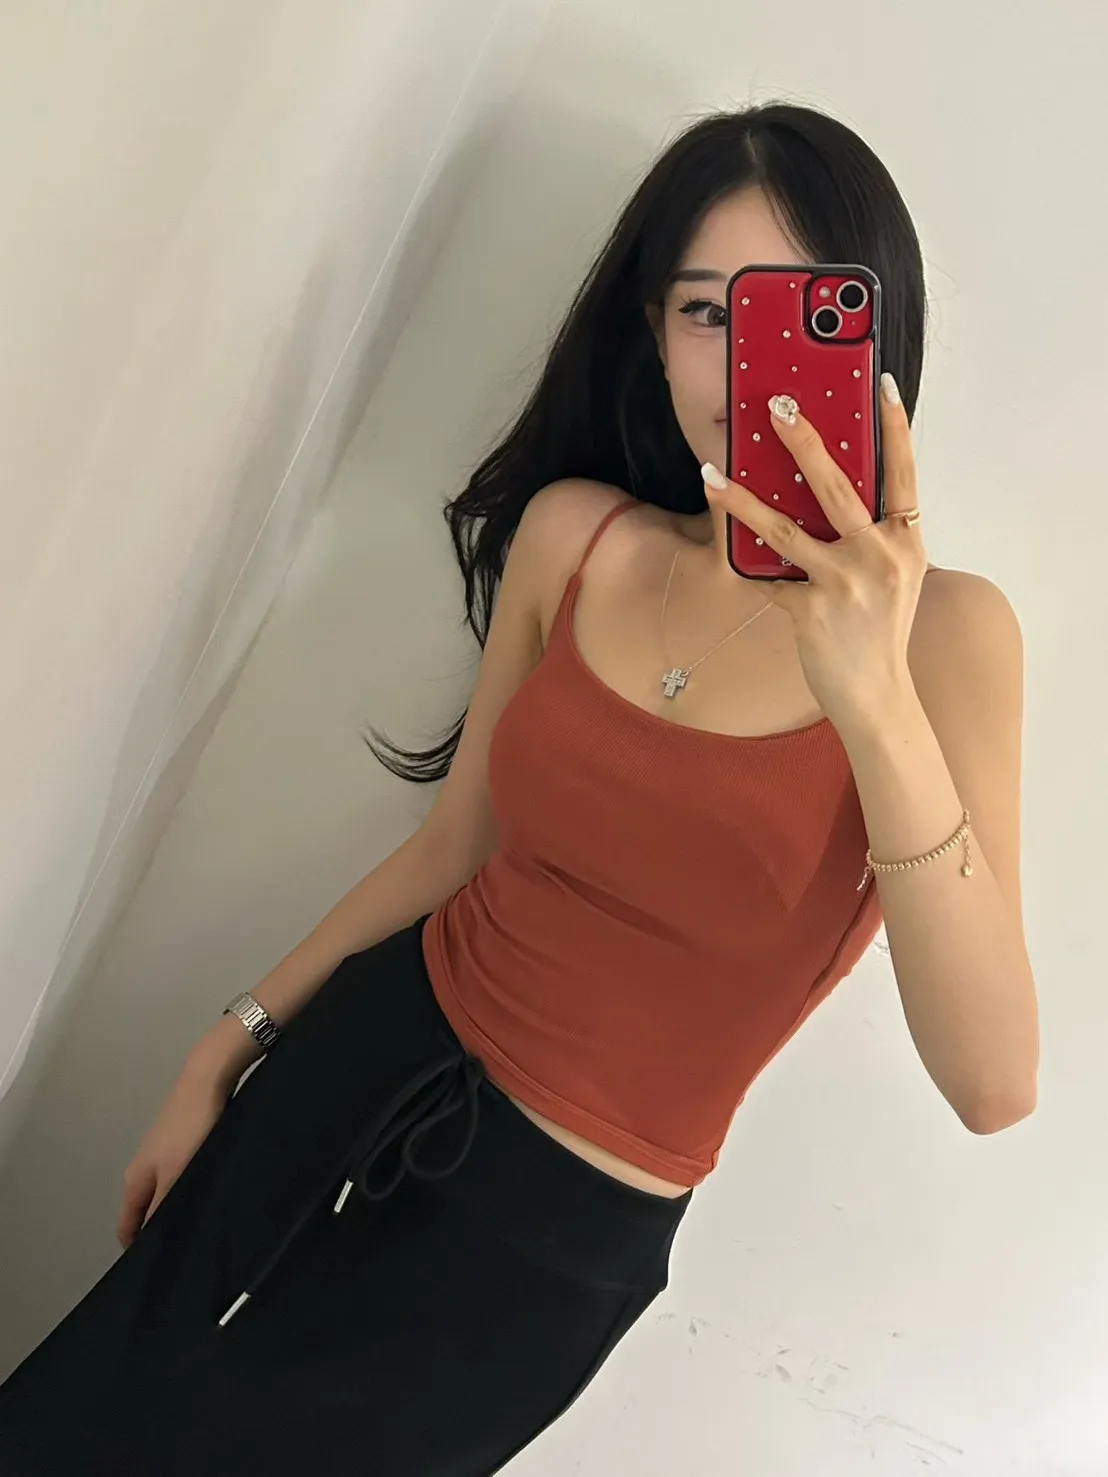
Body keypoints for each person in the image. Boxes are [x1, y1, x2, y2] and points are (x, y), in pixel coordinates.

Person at [0, 101, 1039, 1474]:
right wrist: (226, 1046)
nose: (749, 367)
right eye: (706, 312)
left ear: (875, 339)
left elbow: (993, 1082)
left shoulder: (951, 637)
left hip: (543, 1249)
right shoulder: (580, 537)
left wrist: (873, 694)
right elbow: (451, 849)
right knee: (68, 1423)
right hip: (359, 1065)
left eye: (799, 315)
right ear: (652, 333)